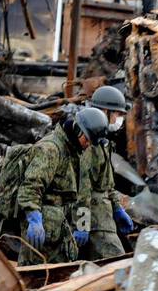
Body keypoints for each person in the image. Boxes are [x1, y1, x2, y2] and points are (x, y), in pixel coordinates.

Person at [17, 105, 108, 266]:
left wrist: (82, 224)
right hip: (42, 229)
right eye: (86, 139)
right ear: (77, 130)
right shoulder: (51, 149)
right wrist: (33, 218)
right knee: (35, 275)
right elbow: (30, 187)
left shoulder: (77, 152)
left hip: (61, 228)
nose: (88, 145)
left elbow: (84, 191)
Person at [82, 85, 136, 257]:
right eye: (118, 114)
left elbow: (107, 184)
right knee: (115, 263)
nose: (120, 119)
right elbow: (82, 187)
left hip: (104, 217)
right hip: (95, 220)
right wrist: (82, 225)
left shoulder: (103, 143)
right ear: (105, 111)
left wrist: (118, 209)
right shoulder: (89, 145)